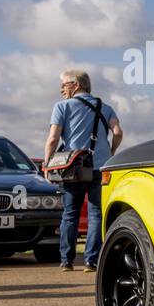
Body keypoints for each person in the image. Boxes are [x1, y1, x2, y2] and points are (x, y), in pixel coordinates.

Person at [43, 70, 123, 272]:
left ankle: (67, 261)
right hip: (100, 166)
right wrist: (111, 151)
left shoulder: (62, 107)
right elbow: (118, 132)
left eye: (63, 84)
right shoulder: (105, 108)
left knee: (70, 214)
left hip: (73, 168)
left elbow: (53, 139)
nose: (61, 89)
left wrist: (47, 163)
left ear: (76, 84)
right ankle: (91, 261)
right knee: (96, 214)